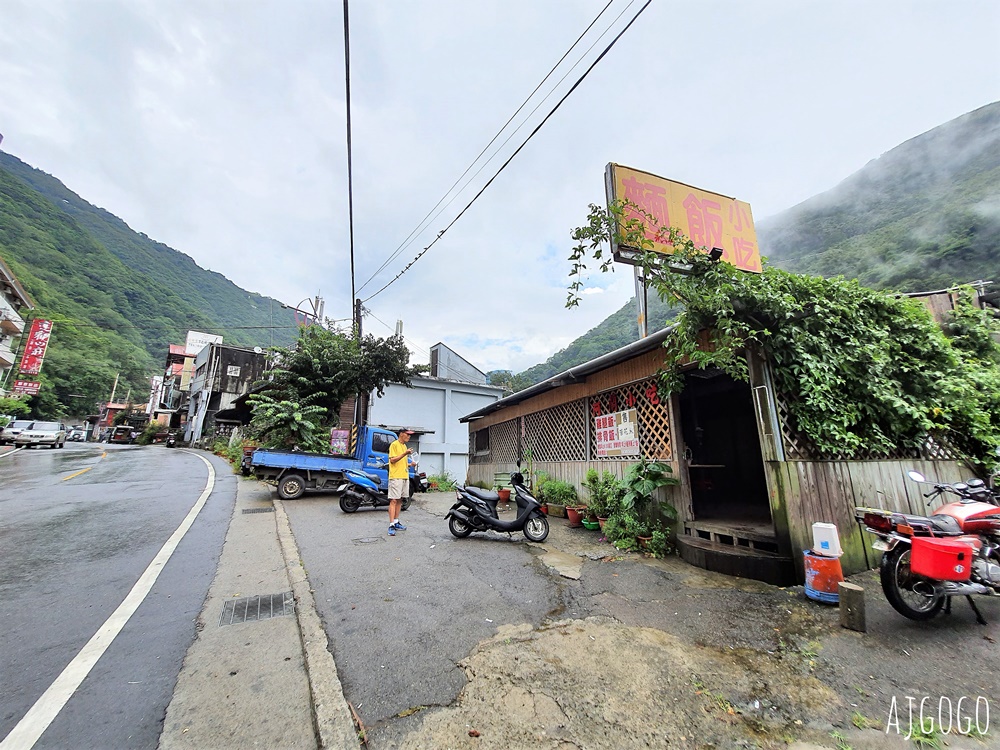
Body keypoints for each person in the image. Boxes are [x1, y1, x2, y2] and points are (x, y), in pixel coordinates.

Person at [386, 428, 414, 536]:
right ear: (401, 434)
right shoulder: (394, 444)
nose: (409, 436)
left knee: (400, 500)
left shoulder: (404, 446)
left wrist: (410, 465)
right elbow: (392, 460)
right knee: (393, 500)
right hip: (395, 477)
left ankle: (396, 522)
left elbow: (401, 462)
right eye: (407, 434)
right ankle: (391, 525)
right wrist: (405, 454)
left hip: (404, 476)